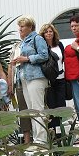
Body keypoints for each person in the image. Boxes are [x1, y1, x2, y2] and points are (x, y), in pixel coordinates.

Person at [11, 16, 49, 144]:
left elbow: (44, 55)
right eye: (19, 26)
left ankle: (42, 139)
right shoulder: (23, 42)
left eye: (22, 26)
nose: (20, 29)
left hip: (36, 77)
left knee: (38, 108)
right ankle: (37, 137)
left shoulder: (37, 38)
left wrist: (26, 59)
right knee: (31, 110)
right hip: (25, 78)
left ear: (30, 27)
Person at [39, 23, 65, 132]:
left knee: (61, 105)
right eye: (46, 32)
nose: (49, 34)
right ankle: (52, 131)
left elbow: (63, 60)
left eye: (50, 31)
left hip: (61, 77)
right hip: (49, 80)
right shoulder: (42, 47)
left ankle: (60, 130)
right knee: (51, 106)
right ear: (43, 34)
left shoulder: (59, 45)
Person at [7, 41, 32, 144]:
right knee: (23, 110)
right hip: (19, 82)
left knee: (37, 108)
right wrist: (10, 86)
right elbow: (10, 66)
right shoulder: (16, 46)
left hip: (32, 79)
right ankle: (27, 140)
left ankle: (41, 137)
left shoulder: (36, 42)